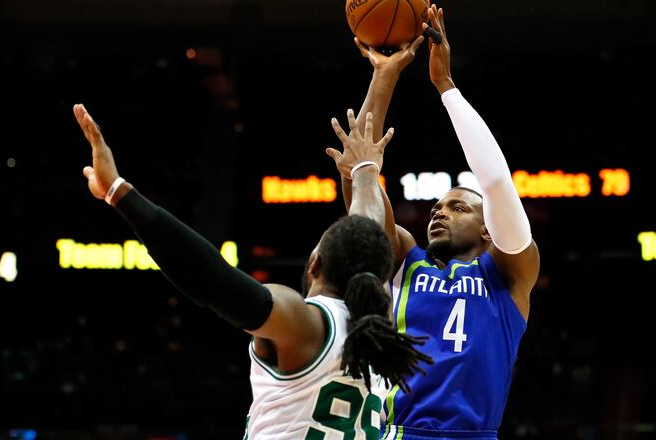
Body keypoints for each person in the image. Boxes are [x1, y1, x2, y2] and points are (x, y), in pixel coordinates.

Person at [72, 104, 432, 438]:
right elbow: (367, 226)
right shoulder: (378, 328)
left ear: (315, 263)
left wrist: (119, 192)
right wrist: (366, 170)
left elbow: (213, 279)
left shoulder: (307, 323)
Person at [331, 5, 540, 439]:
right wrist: (384, 76)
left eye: (459, 207)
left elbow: (498, 182)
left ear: (489, 230)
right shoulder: (408, 261)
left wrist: (445, 86)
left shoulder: (509, 276)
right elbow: (360, 181)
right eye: (436, 209)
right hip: (396, 431)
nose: (440, 211)